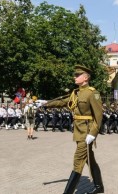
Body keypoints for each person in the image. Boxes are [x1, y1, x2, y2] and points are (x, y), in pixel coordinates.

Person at [45, 65, 104, 194]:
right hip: (78, 131)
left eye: (78, 75)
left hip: (86, 132)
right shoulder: (76, 93)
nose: (75, 77)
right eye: (75, 75)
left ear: (86, 77)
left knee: (78, 161)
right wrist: (46, 104)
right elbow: (63, 101)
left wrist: (93, 134)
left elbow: (99, 116)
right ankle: (99, 187)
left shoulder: (92, 93)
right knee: (90, 159)